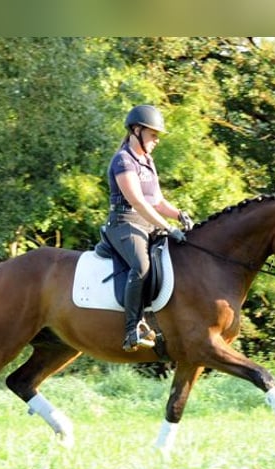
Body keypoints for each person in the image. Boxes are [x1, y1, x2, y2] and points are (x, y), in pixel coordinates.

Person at [104, 104, 194, 352]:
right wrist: (167, 227)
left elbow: (157, 201)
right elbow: (137, 201)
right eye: (153, 134)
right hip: (123, 223)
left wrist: (179, 214)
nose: (156, 140)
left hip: (147, 223)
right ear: (136, 130)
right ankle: (132, 329)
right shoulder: (123, 160)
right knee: (141, 266)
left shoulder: (147, 161)